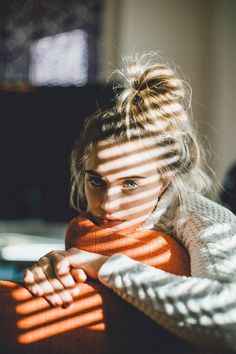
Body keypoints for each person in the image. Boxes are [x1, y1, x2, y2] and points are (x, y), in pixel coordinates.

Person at [23, 53, 236, 352]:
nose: (108, 205)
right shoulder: (88, 226)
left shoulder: (206, 220)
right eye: (96, 181)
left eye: (131, 184)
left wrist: (103, 265)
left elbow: (229, 319)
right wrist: (55, 269)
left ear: (166, 178)